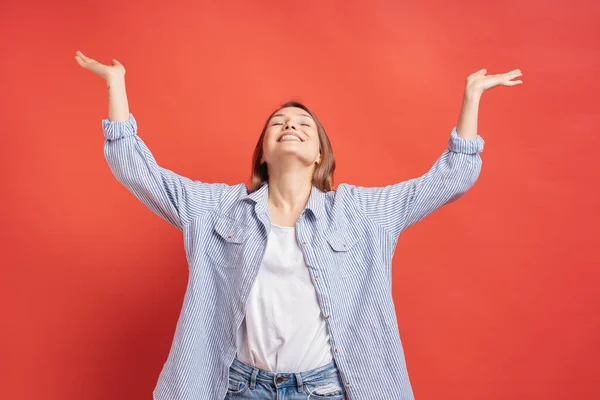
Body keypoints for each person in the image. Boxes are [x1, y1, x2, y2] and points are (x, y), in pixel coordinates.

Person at [75, 50, 522, 400]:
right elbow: (135, 168)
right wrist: (117, 86)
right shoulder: (216, 210)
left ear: (320, 155)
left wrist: (470, 99)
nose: (290, 125)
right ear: (263, 154)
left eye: (303, 123)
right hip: (238, 388)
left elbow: (451, 178)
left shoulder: (361, 213)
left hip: (325, 389)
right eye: (278, 123)